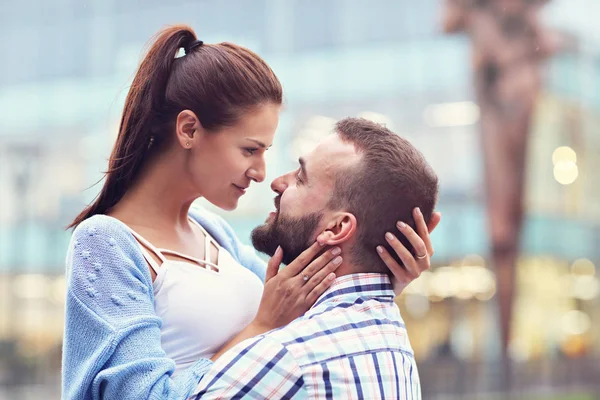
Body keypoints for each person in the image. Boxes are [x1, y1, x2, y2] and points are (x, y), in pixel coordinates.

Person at [62, 24, 440, 400]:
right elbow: (139, 395)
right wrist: (260, 325)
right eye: (250, 150)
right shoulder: (105, 243)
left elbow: (308, 309)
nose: (261, 173)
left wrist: (386, 271)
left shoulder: (214, 233)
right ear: (189, 130)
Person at [193, 117, 439, 399]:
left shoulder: (287, 358)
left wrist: (262, 325)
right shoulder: (393, 341)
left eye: (300, 179)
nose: (276, 182)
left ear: (337, 228)